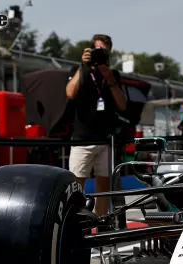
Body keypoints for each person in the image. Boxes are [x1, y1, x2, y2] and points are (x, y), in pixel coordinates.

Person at [65, 34, 127, 217]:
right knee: (76, 183)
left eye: (104, 51)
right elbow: (70, 92)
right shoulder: (80, 70)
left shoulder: (112, 75)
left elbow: (122, 105)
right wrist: (82, 66)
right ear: (89, 51)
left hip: (105, 138)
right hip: (82, 138)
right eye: (97, 50)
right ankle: (73, 221)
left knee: (103, 184)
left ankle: (100, 223)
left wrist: (110, 79)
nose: (100, 54)